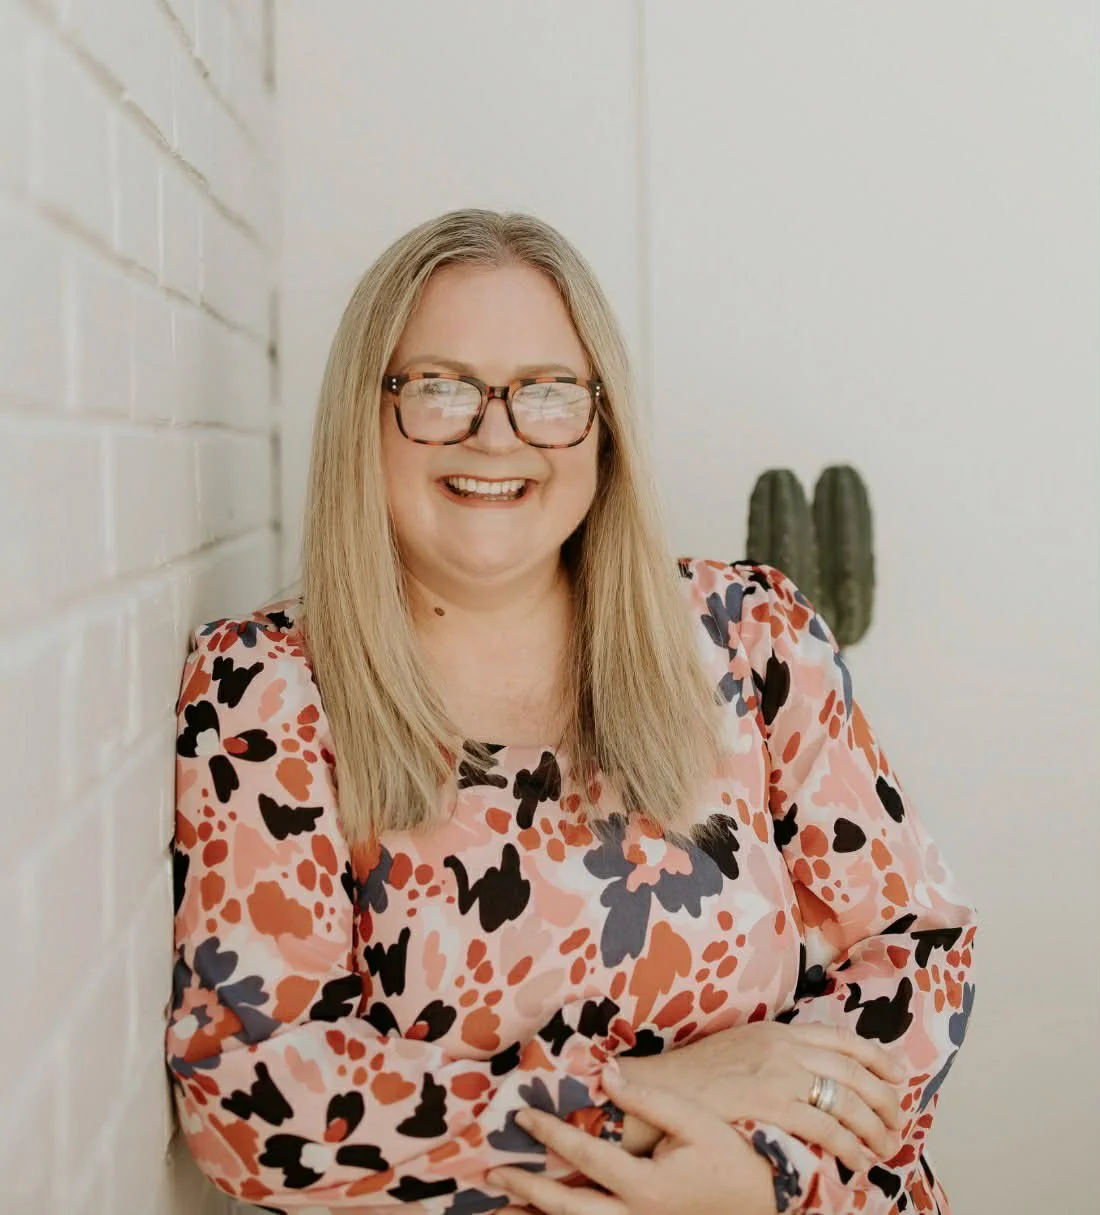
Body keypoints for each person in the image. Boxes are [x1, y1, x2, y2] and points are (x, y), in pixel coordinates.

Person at [167, 209, 977, 1215]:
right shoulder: (269, 692)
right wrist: (636, 1102)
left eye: (545, 393)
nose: (495, 434)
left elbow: (913, 953)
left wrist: (763, 1179)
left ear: (599, 422)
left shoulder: (751, 637)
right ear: (364, 416)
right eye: (440, 388)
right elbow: (251, 1094)